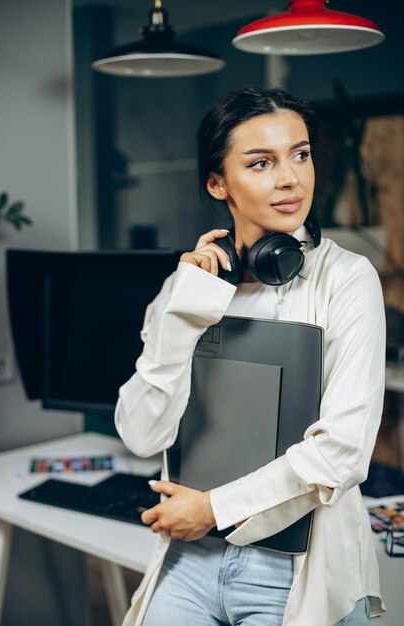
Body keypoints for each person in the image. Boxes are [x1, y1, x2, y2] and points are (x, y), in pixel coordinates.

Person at [115, 87, 386, 626]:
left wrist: (211, 507)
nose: (290, 178)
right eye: (261, 162)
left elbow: (343, 453)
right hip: (190, 561)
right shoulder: (188, 285)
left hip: (297, 570)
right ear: (218, 183)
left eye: (300, 154)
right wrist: (185, 313)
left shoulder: (348, 280)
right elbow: (140, 435)